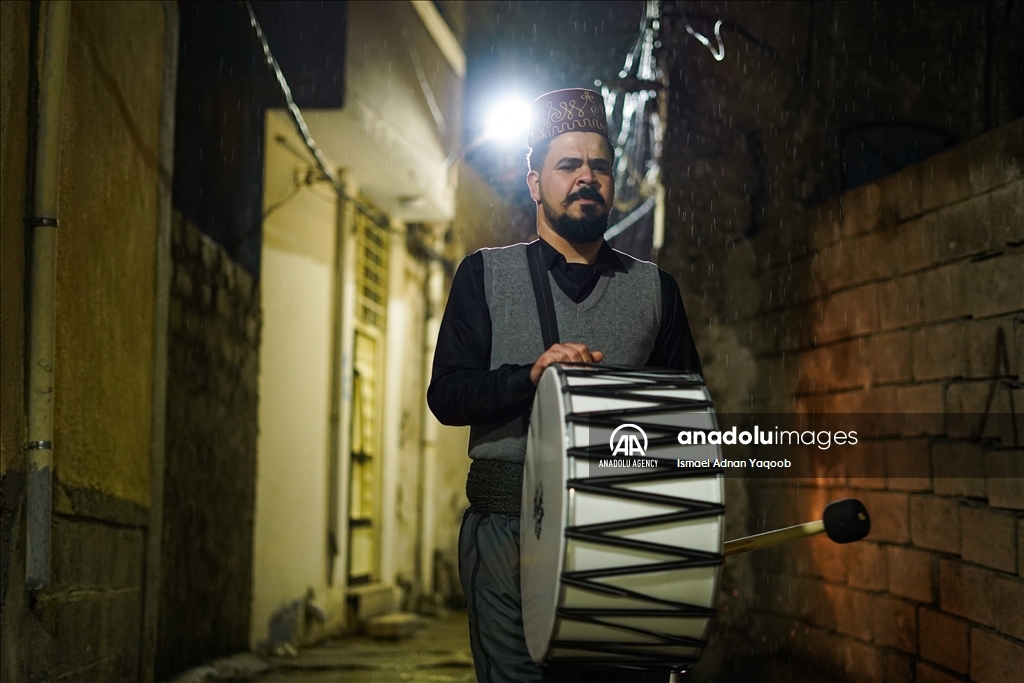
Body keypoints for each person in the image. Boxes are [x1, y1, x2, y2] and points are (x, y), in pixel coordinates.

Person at [427, 88, 702, 683]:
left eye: (599, 166)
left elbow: (689, 435)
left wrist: (678, 567)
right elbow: (446, 395)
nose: (587, 177)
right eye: (568, 165)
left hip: (620, 534)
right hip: (506, 533)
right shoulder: (484, 275)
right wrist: (530, 377)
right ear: (535, 183)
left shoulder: (657, 291)